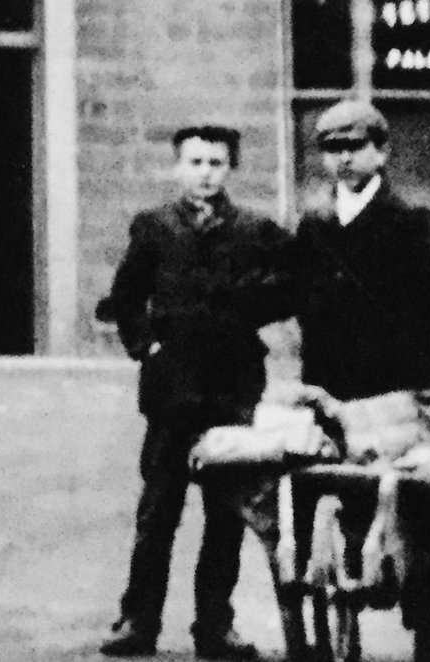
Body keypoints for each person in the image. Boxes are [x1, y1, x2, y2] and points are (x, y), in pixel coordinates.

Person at [95, 125, 293, 661]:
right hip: (171, 395)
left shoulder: (255, 230)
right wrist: (147, 348)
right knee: (158, 511)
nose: (205, 173)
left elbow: (292, 285)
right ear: (177, 167)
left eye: (216, 163)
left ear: (230, 169)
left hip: (231, 392)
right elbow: (126, 297)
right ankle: (138, 621)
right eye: (196, 161)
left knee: (225, 516)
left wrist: (250, 311)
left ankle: (214, 626)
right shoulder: (155, 228)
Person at [291, 99, 430, 408]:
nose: (345, 157)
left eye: (356, 146)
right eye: (333, 149)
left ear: (381, 152)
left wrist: (429, 378)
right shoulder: (314, 224)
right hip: (328, 382)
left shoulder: (411, 221)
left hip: (393, 383)